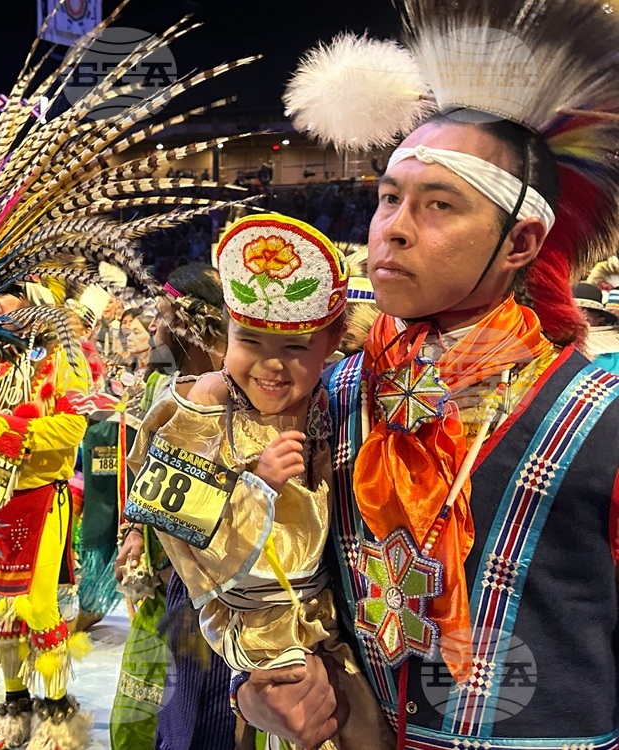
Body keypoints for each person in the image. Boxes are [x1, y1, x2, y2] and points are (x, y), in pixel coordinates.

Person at [254, 4, 619, 746]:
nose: (393, 227)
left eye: (439, 204)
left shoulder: (601, 415)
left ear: (520, 242)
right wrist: (255, 686)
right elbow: (282, 583)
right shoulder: (334, 392)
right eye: (389, 197)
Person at [126, 214, 393, 749]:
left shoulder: (328, 401)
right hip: (249, 630)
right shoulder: (196, 408)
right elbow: (178, 531)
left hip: (325, 619)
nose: (272, 367)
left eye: (295, 348)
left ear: (331, 342)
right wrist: (256, 485)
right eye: (249, 340)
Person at [109, 262, 238, 750]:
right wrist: (136, 534)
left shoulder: (233, 395)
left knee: (198, 724)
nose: (152, 329)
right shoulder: (156, 389)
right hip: (162, 586)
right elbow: (147, 479)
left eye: (161, 317)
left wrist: (179, 567)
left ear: (191, 325)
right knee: (139, 717)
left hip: (209, 596)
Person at [0, 283, 93, 750]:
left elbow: (73, 424)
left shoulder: (66, 358)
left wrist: (13, 429)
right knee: (1, 606)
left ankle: (59, 715)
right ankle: (14, 708)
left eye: (6, 293)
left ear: (37, 301)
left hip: (42, 496)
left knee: (38, 604)